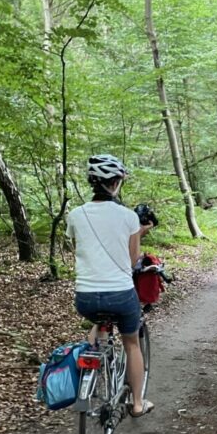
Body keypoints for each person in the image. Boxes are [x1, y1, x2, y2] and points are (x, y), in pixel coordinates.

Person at [65, 154, 154, 418]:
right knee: (131, 343)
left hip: (85, 297)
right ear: (115, 183)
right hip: (121, 294)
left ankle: (92, 368)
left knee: (99, 322)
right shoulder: (128, 217)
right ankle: (138, 403)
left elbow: (82, 247)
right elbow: (132, 258)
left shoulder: (75, 214)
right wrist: (140, 232)